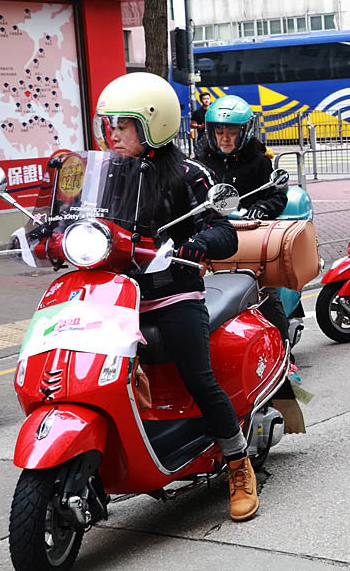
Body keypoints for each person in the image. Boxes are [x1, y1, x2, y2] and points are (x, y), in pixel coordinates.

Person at [93, 72, 260, 521]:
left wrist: (199, 244)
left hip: (173, 293)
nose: (113, 134)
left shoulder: (189, 174)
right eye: (109, 124)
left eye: (123, 125)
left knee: (197, 375)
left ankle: (237, 461)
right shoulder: (105, 172)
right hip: (114, 296)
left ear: (153, 124)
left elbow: (223, 229)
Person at [194, 94, 291, 342]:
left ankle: (285, 350)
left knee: (264, 291)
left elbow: (277, 196)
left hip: (246, 234)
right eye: (219, 131)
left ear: (245, 131)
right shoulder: (200, 161)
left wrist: (261, 207)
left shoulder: (258, 161)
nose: (225, 137)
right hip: (211, 236)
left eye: (232, 131)